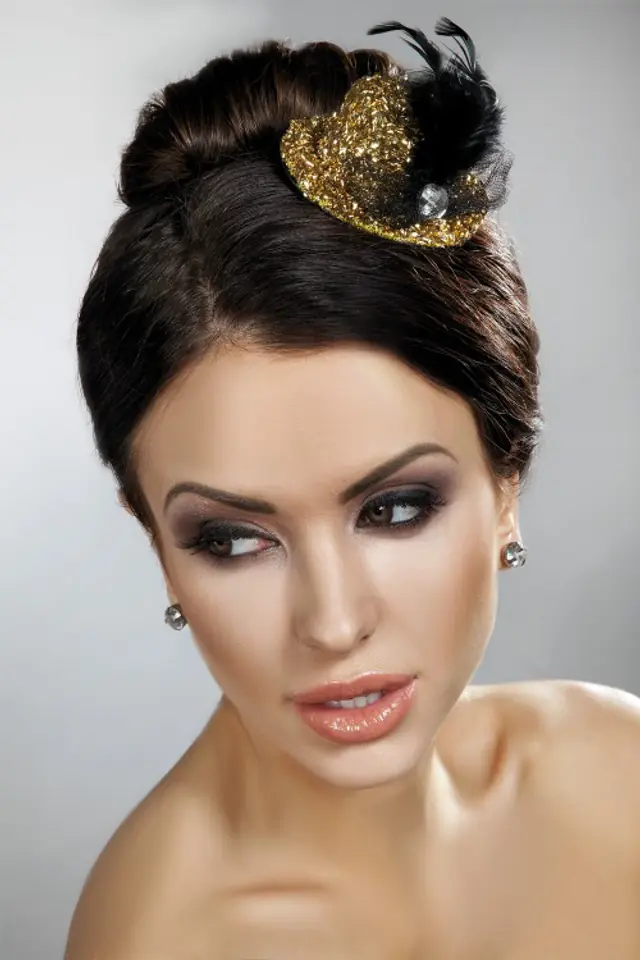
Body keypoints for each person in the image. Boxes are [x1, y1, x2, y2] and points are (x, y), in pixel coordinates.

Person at [64, 14, 640, 960]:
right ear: (158, 546)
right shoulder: (163, 936)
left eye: (395, 509)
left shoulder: (619, 773)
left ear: (506, 480)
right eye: (233, 539)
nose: (332, 624)